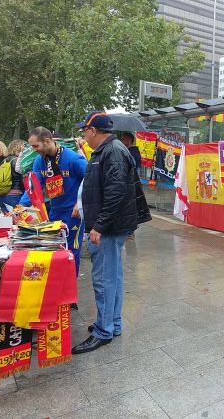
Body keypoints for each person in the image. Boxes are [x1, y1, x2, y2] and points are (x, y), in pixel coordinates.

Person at [72, 112, 138, 354]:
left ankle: (104, 330)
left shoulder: (112, 151)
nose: (83, 135)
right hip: (110, 226)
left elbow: (116, 193)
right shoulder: (109, 150)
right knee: (113, 278)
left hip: (108, 229)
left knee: (104, 280)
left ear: (93, 130)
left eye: (84, 130)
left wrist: (98, 226)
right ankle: (112, 324)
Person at [19, 126, 87, 273]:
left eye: (35, 146)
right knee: (55, 248)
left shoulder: (73, 158)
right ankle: (57, 284)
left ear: (47, 141)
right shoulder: (39, 161)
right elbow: (34, 186)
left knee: (71, 250)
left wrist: (80, 202)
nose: (33, 150)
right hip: (55, 211)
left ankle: (70, 288)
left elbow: (90, 179)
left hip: (73, 213)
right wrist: (20, 207)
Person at [0, 140, 26, 209]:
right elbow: (21, 179)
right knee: (17, 217)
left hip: (2, 194)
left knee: (5, 218)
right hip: (15, 194)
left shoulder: (4, 160)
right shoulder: (18, 162)